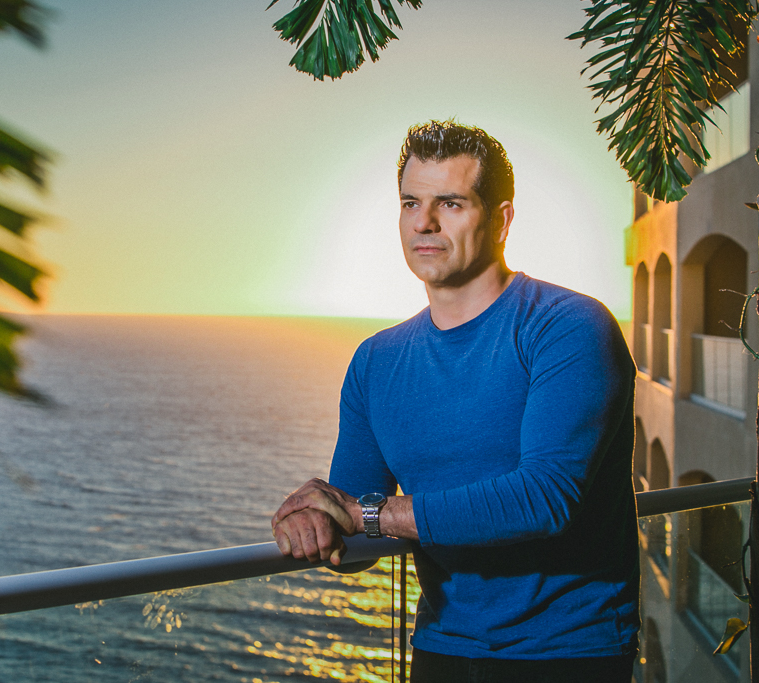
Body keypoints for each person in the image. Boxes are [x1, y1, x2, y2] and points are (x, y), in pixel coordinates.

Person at [271, 120, 639, 682]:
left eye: (450, 203)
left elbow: (545, 498)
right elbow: (352, 527)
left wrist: (368, 513)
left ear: (501, 220)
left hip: (569, 652)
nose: (424, 222)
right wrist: (312, 519)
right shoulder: (376, 361)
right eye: (410, 203)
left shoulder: (568, 327)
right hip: (440, 647)